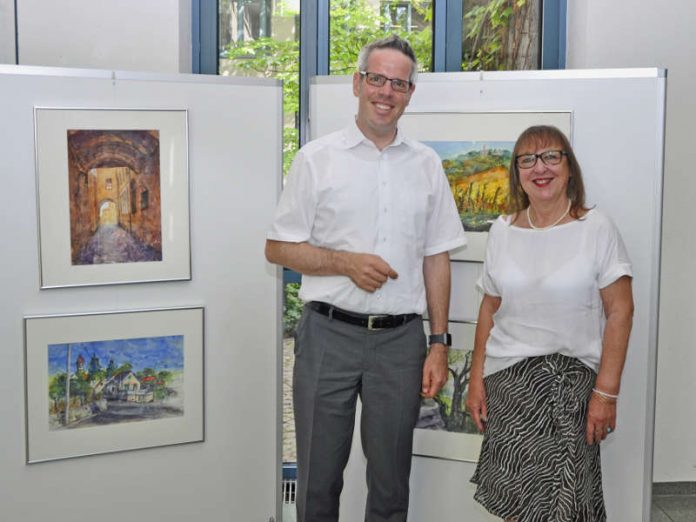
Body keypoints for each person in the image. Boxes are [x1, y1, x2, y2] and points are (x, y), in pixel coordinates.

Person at [265, 35, 466, 522]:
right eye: (377, 78)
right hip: (327, 336)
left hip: (400, 344)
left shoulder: (427, 165)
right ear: (357, 83)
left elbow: (437, 257)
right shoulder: (317, 159)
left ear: (410, 93)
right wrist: (344, 262)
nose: (386, 91)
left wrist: (438, 343)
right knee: (317, 481)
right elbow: (277, 248)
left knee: (392, 485)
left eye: (399, 83)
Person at [466, 125, 634, 521]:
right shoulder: (502, 231)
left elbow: (621, 312)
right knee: (516, 504)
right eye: (527, 159)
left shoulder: (597, 227)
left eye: (550, 157)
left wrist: (606, 394)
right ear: (517, 172)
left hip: (571, 393)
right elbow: (490, 308)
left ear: (569, 167)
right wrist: (476, 380)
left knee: (568, 508)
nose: (539, 168)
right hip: (509, 388)